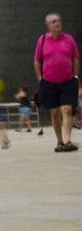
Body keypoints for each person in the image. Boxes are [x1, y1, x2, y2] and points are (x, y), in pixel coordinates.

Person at [33, 12, 79, 153]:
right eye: (53, 21)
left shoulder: (69, 39)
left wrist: (76, 75)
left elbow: (75, 58)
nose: (57, 23)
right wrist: (40, 78)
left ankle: (67, 141)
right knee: (54, 112)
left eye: (58, 20)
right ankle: (59, 141)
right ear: (48, 25)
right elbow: (37, 60)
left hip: (68, 81)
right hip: (49, 82)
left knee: (67, 109)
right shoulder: (42, 40)